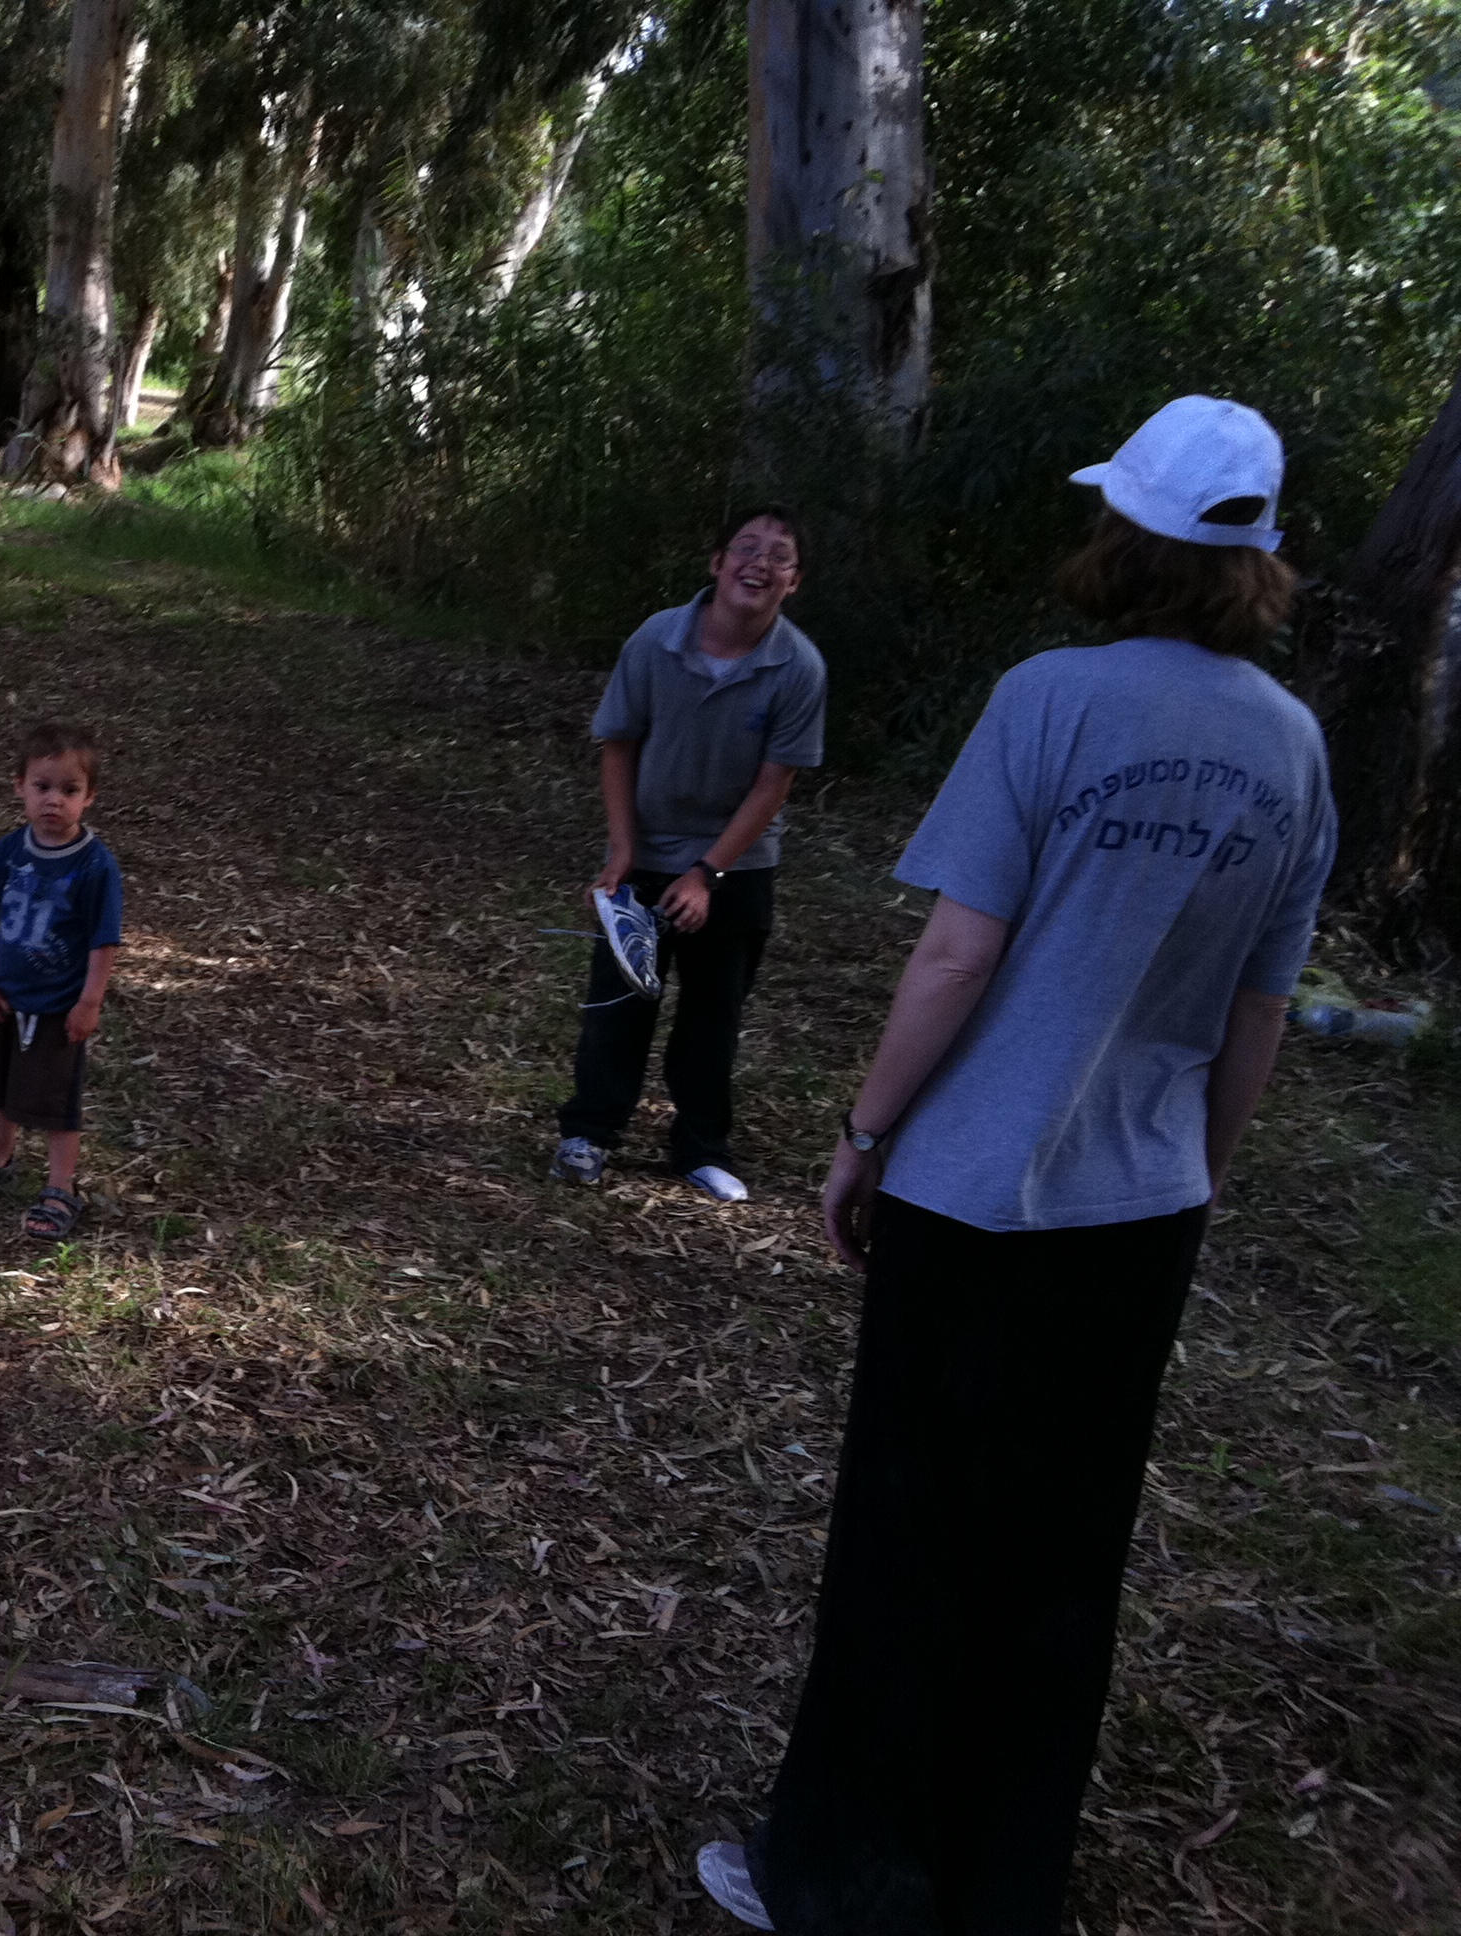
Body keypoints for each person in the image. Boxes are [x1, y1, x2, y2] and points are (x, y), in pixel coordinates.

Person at [695, 396, 1336, 1935]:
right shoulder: (1294, 746)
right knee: (1063, 1552)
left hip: (974, 1194)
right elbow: (1258, 1013)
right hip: (1141, 1213)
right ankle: (1002, 1880)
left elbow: (958, 954)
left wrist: (863, 1136)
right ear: (1254, 558)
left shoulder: (1051, 700)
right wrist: (1194, 1176)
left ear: (1126, 532)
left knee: (911, 1531)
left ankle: (842, 1877)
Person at [551, 506, 828, 1203]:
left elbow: (774, 784)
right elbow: (619, 743)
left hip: (737, 863)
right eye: (746, 548)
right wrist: (623, 851)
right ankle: (588, 1134)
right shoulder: (656, 639)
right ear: (717, 562)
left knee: (713, 1013)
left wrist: (708, 873)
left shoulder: (799, 666)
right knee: (618, 1002)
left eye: (779, 557)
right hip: (645, 851)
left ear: (794, 580)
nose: (759, 564)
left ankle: (701, 1149)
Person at [0, 720, 123, 1240]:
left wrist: (89, 1002)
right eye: (42, 786)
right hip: (7, 1000)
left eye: (69, 790)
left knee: (57, 1102)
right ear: (20, 787)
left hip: (58, 1005)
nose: (53, 800)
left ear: (89, 797)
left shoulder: (95, 866)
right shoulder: (9, 852)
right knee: (0, 1088)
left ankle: (61, 1187)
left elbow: (103, 940)